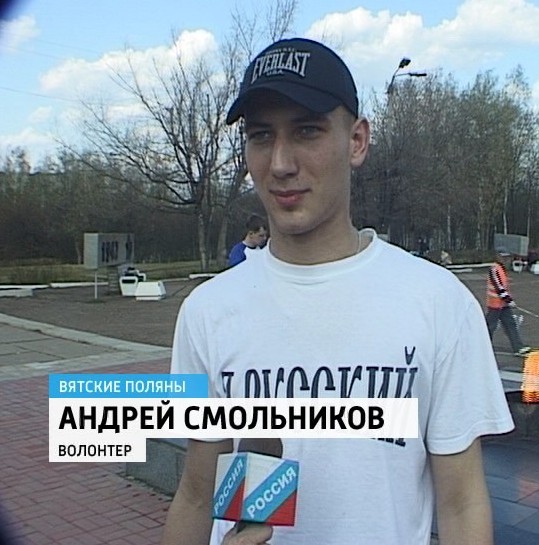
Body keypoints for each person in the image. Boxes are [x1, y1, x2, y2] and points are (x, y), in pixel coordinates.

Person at [162, 37, 514, 545]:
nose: (280, 163)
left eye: (307, 130)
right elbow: (197, 494)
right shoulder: (207, 312)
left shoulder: (439, 303)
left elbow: (461, 504)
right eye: (261, 136)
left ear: (357, 141)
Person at [485, 248, 530, 357]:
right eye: (504, 257)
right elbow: (499, 287)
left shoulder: (502, 269)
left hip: (503, 304)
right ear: (498, 257)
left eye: (507, 257)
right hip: (495, 305)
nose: (506, 260)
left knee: (510, 324)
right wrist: (508, 300)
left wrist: (507, 301)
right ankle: (483, 348)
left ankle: (518, 347)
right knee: (490, 327)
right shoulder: (494, 269)